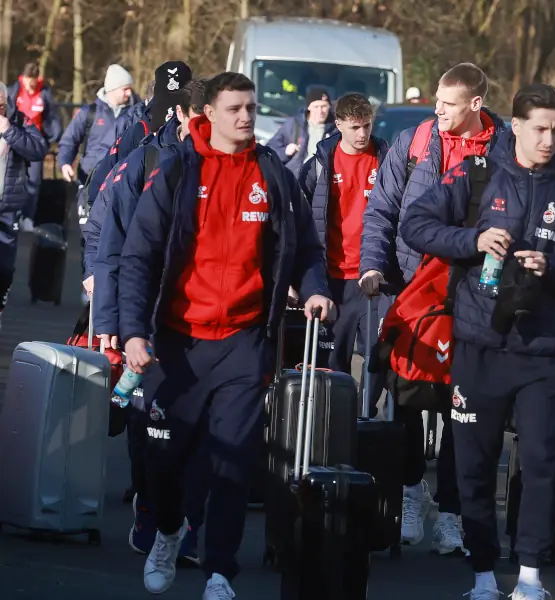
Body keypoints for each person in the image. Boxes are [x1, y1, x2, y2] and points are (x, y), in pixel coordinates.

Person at [118, 71, 332, 600]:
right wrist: (131, 333)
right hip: (177, 342)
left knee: (233, 461)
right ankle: (168, 531)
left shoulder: (273, 175)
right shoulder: (175, 173)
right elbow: (139, 257)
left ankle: (220, 571)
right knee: (163, 461)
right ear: (206, 114)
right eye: (234, 108)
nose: (245, 117)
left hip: (243, 340)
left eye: (251, 108)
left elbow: (305, 247)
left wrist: (313, 290)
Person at [401, 82, 555, 600]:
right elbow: (415, 224)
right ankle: (481, 576)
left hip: (542, 351)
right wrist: (471, 241)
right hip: (479, 345)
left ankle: (532, 578)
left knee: (543, 462)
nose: (549, 139)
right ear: (515, 126)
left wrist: (553, 268)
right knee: (473, 466)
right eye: (540, 128)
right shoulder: (477, 175)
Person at [361, 61, 507, 553]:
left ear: (476, 105)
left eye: (448, 104)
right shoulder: (415, 142)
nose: (438, 111)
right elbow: (381, 209)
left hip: (472, 292)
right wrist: (372, 266)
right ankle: (408, 491)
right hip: (410, 291)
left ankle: (450, 510)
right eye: (437, 102)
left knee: (458, 409)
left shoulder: (503, 147)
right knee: (404, 399)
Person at [87, 76, 207, 565]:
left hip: (210, 319)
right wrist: (112, 315)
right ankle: (151, 510)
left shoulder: (246, 165)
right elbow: (110, 239)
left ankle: (193, 525)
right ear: (181, 116)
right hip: (150, 315)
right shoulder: (146, 161)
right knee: (146, 419)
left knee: (202, 424)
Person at [83, 61, 194, 298]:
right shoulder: (138, 133)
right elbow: (99, 201)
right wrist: (95, 267)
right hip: (130, 262)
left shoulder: (205, 150)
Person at [298, 92, 388, 376]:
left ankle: (371, 419)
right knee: (331, 371)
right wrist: (296, 277)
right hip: (333, 280)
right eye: (355, 127)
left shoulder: (387, 160)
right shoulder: (319, 165)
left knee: (379, 365)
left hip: (374, 279)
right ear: (338, 124)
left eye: (367, 126)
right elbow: (299, 222)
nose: (363, 134)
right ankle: (334, 421)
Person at [0, 84, 48, 320]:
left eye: (1, 105)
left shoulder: (19, 120)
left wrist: (9, 130)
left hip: (8, 207)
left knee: (6, 268)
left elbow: (38, 150)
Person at [57, 64, 138, 184]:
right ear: (113, 88)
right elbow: (69, 140)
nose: (129, 93)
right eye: (125, 89)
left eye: (130, 88)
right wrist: (65, 163)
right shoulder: (89, 112)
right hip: (90, 179)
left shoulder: (136, 113)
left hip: (122, 180)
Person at [7, 61, 62, 228]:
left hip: (34, 142)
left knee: (34, 180)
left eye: (33, 80)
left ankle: (28, 217)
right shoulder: (13, 91)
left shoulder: (44, 93)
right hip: (15, 141)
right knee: (13, 180)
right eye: (27, 79)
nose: (30, 84)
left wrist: (51, 138)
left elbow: (52, 117)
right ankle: (12, 218)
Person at [266, 86, 337, 177]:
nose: (320, 111)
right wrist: (285, 152)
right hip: (294, 180)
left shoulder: (335, 129)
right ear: (309, 108)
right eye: (316, 106)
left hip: (320, 181)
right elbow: (269, 150)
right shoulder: (294, 124)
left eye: (324, 106)